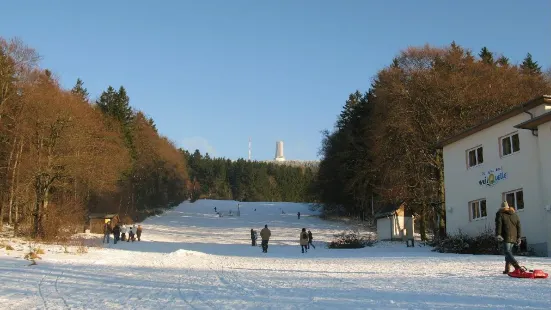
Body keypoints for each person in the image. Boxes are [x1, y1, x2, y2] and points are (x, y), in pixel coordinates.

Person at [495, 201, 526, 276]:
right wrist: (518, 237)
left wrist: (498, 234)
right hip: (514, 236)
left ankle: (517, 267)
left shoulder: (500, 214)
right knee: (509, 252)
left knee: (507, 252)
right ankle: (507, 269)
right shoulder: (515, 214)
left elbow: (499, 224)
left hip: (506, 235)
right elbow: (519, 226)